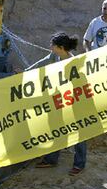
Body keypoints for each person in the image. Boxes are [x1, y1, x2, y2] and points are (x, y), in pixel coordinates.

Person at [26, 32, 86, 176]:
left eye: (52, 45)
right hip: (58, 100)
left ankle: (79, 164)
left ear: (61, 47)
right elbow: (40, 64)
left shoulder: (75, 63)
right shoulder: (54, 56)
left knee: (80, 133)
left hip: (74, 101)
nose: (50, 47)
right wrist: (24, 73)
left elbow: (80, 84)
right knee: (56, 128)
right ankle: (51, 159)